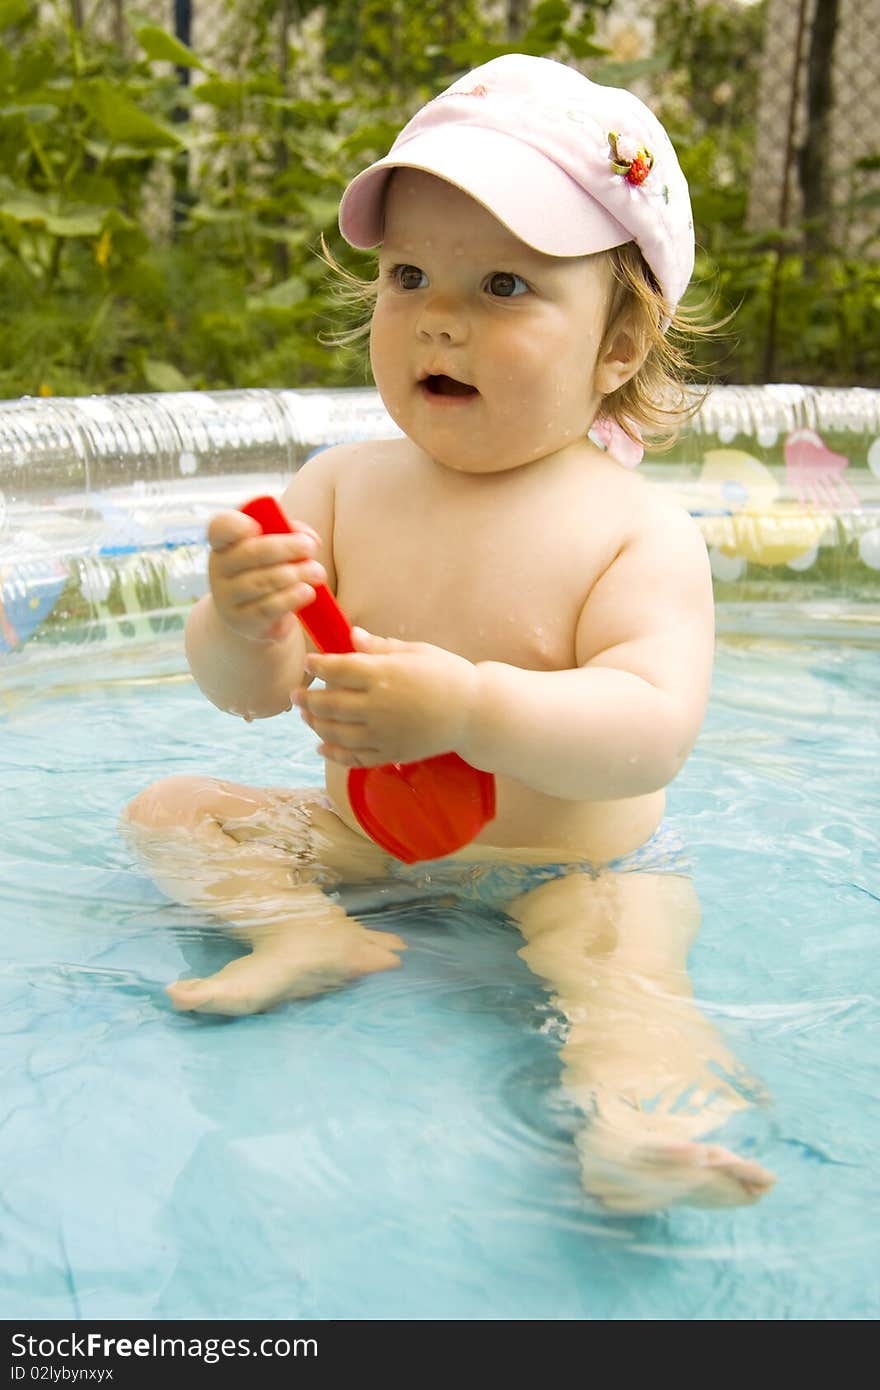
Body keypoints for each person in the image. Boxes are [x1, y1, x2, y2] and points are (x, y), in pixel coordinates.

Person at [124, 54, 775, 1214]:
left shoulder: (634, 531)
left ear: (617, 346)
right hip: (362, 836)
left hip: (576, 865)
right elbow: (248, 694)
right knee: (172, 811)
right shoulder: (341, 487)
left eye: (505, 287)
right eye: (410, 273)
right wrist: (238, 621)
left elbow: (649, 732)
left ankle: (638, 1134)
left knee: (623, 977)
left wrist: (475, 708)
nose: (437, 316)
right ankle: (308, 934)